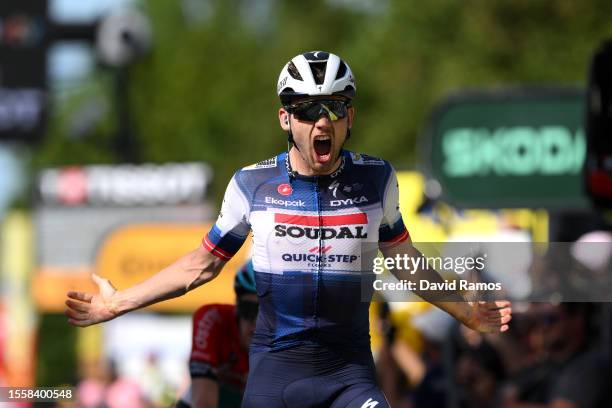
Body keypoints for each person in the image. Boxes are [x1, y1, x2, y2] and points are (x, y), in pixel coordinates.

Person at [65, 51, 512, 408]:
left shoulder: (378, 180)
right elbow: (198, 268)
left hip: (350, 377)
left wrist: (465, 310)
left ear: (350, 118)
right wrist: (117, 303)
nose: (323, 121)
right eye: (307, 109)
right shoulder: (251, 184)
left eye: (335, 107)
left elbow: (406, 263)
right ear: (285, 119)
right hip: (276, 378)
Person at [176, 260, 258, 408]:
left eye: (266, 314)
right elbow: (203, 402)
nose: (256, 322)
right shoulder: (213, 319)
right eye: (249, 310)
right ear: (237, 307)